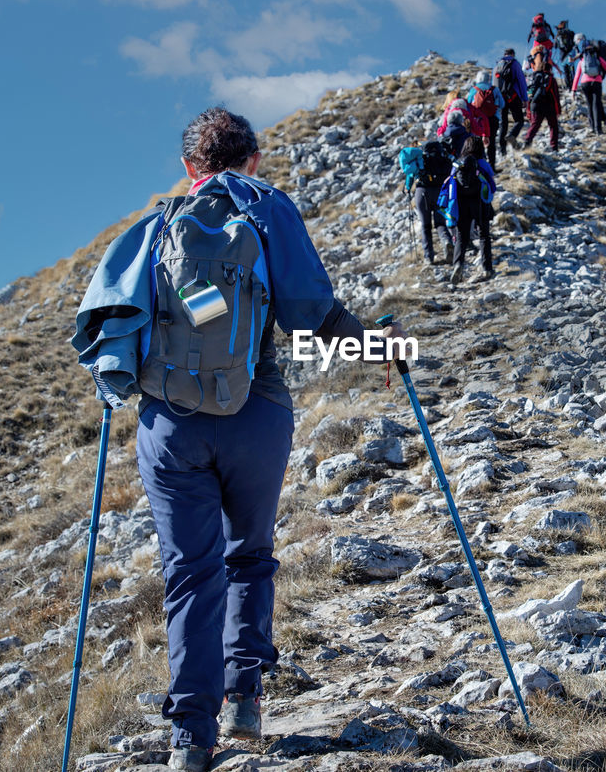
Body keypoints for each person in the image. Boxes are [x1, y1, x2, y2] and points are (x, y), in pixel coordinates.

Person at [74, 107, 406, 772]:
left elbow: (109, 324)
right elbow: (315, 316)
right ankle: (246, 697)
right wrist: (387, 345)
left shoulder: (156, 223)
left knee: (189, 575)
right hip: (257, 413)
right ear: (252, 160)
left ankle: (191, 738)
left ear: (189, 168)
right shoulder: (268, 208)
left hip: (171, 427)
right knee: (249, 553)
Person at [450, 137, 495, 284]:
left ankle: (458, 265)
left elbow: (451, 183)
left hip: (462, 203)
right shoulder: (482, 163)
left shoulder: (457, 164)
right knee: (484, 235)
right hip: (480, 204)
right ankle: (487, 268)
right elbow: (492, 186)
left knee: (462, 236)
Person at [414, 139, 455, 265]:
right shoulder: (446, 161)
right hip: (440, 193)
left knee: (426, 226)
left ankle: (428, 257)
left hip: (422, 193)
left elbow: (411, 175)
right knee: (440, 223)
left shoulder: (421, 160)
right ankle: (446, 241)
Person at [572, 39, 606, 134]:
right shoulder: (598, 58)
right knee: (596, 105)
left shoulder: (582, 60)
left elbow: (577, 76)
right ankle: (598, 129)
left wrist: (573, 90)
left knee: (589, 105)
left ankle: (592, 127)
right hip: (597, 82)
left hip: (585, 83)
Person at [522, 48, 561, 152]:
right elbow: (556, 96)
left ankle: (527, 141)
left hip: (536, 104)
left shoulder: (534, 77)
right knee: (553, 126)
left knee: (535, 124)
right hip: (549, 106)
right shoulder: (551, 79)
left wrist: (529, 110)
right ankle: (554, 147)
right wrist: (558, 111)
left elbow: (530, 95)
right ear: (550, 69)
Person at [466, 70, 505, 171]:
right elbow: (502, 104)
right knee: (491, 143)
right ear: (489, 78)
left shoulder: (474, 90)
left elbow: (468, 105)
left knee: (478, 143)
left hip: (478, 121)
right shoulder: (494, 89)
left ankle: (479, 167)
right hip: (493, 120)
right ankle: (491, 167)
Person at [493, 48, 528, 153]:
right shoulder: (514, 64)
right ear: (513, 54)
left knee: (503, 124)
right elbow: (522, 82)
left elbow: (494, 84)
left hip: (500, 98)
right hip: (513, 96)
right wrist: (525, 99)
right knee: (519, 120)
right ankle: (512, 135)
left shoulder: (496, 66)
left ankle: (502, 150)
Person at [555, 20, 576, 88]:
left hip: (562, 55)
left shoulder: (558, 34)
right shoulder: (571, 33)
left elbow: (555, 46)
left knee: (566, 71)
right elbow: (574, 43)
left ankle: (568, 86)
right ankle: (573, 85)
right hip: (570, 54)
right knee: (572, 70)